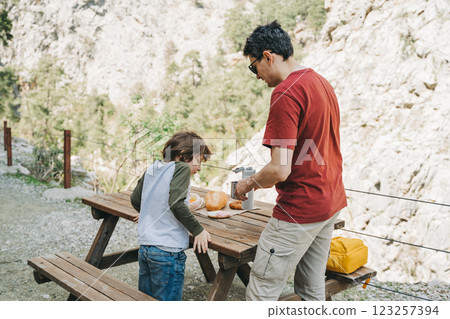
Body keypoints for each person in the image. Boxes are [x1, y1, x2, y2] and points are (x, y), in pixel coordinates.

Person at [235, 21, 347, 301]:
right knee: (311, 292)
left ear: (268, 56)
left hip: (299, 209)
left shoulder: (286, 93)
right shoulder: (321, 82)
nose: (256, 76)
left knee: (262, 292)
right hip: (329, 203)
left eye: (253, 67)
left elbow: (279, 169)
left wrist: (247, 184)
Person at [130, 131, 212, 301]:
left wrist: (149, 213)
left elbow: (135, 198)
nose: (200, 167)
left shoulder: (153, 167)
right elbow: (176, 203)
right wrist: (199, 231)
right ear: (182, 156)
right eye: (198, 160)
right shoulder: (181, 168)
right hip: (167, 252)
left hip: (146, 249)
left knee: (146, 300)